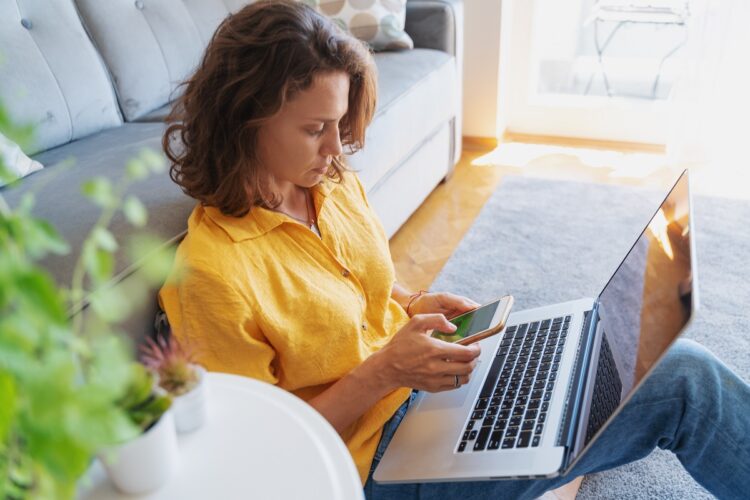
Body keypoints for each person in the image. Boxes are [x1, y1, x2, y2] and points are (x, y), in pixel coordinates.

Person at [157, 1, 750, 498]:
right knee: (683, 382)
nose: (338, 148)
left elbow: (340, 285)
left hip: (422, 385)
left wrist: (413, 304)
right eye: (316, 129)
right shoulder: (211, 273)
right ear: (245, 119)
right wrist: (384, 371)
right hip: (370, 463)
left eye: (339, 124)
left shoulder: (327, 185)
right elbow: (257, 458)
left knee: (587, 359)